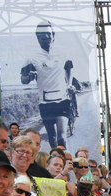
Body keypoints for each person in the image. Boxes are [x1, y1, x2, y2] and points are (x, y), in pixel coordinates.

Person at [20, 21, 74, 149]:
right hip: (45, 103)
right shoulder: (31, 58)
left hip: (62, 99)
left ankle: (62, 159)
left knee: (61, 137)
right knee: (52, 138)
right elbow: (23, 79)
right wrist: (29, 77)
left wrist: (69, 84)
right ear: (37, 37)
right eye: (41, 35)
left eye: (48, 34)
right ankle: (55, 159)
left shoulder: (63, 53)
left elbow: (68, 69)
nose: (45, 37)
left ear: (53, 35)